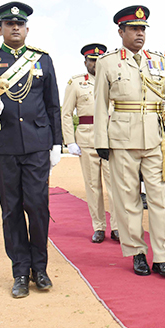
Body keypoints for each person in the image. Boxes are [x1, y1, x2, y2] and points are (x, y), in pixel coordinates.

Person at [0, 1, 62, 298]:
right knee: (11, 210)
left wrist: (56, 143)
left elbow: (52, 105)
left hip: (37, 144)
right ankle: (20, 271)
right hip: (4, 144)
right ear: (0, 30)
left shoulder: (43, 60)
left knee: (37, 207)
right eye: (9, 24)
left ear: (26, 29)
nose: (15, 28)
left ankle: (41, 268)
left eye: (19, 24)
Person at [94, 5, 165, 278]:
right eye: (134, 29)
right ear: (121, 31)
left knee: (157, 200)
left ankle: (162, 257)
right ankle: (136, 252)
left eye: (143, 29)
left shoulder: (158, 60)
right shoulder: (107, 62)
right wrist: (101, 140)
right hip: (122, 140)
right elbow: (99, 104)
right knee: (128, 200)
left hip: (154, 138)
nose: (140, 33)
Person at [62, 43, 119, 243]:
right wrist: (69, 141)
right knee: (93, 186)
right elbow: (66, 113)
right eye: (91, 60)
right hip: (87, 139)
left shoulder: (114, 79)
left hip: (111, 138)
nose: (95, 64)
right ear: (85, 62)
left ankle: (118, 227)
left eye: (98, 60)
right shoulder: (76, 83)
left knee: (115, 185)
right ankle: (99, 227)